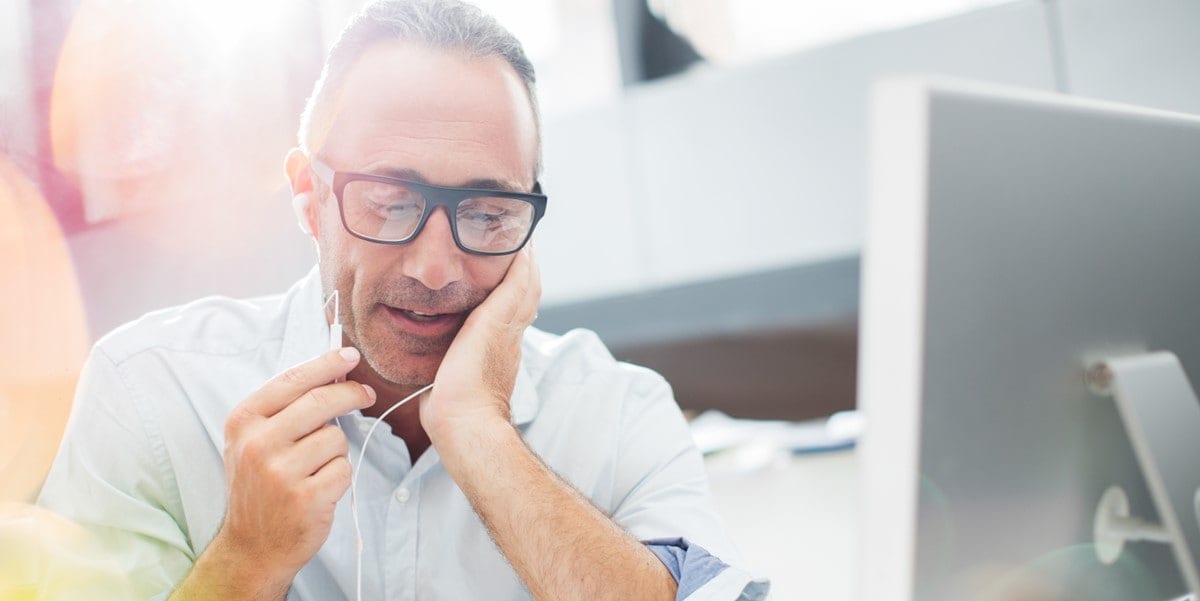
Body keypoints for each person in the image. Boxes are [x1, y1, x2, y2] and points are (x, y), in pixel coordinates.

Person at [37, 1, 768, 600]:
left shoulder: (617, 414)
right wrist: (243, 562)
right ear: (308, 197)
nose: (434, 265)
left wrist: (479, 431)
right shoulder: (151, 395)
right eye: (389, 202)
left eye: (486, 213)